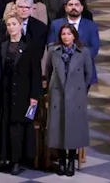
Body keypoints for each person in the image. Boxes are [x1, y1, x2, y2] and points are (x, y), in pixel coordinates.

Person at [44, 21, 94, 175]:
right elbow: (48, 71)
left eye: (69, 34)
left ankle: (72, 160)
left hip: (76, 95)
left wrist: (80, 90)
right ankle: (61, 160)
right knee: (57, 127)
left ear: (74, 35)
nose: (66, 37)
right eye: (63, 34)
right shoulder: (53, 50)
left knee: (73, 128)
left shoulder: (83, 51)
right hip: (58, 93)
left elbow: (88, 74)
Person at [0, 14, 43, 175]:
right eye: (8, 24)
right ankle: (6, 158)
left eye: (14, 24)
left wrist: (34, 96)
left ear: (20, 25)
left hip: (23, 93)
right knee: (6, 125)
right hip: (5, 93)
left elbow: (36, 73)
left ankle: (18, 161)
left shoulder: (29, 47)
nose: (11, 27)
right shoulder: (2, 46)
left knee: (19, 127)